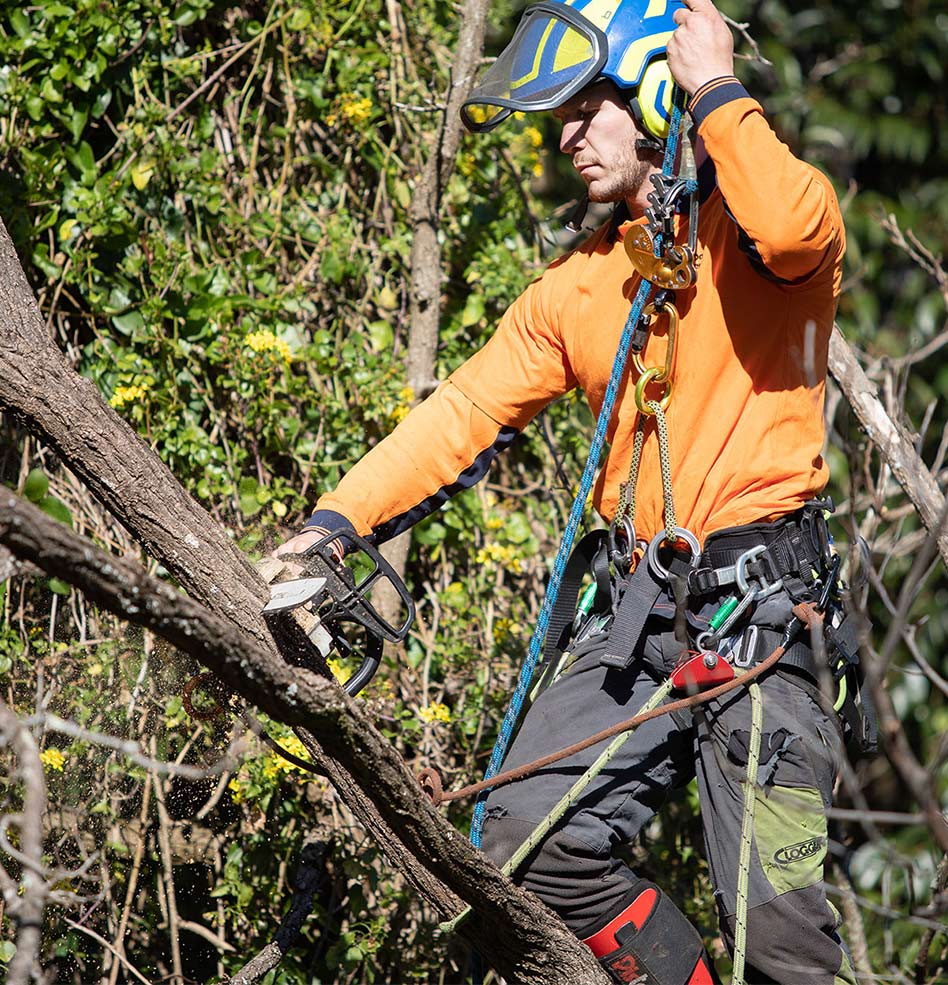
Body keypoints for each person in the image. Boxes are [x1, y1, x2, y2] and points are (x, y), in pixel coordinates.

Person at [276, 1, 860, 982]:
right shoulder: (582, 284)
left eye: (590, 107)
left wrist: (715, 86)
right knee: (517, 835)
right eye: (561, 117)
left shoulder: (756, 240)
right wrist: (335, 525)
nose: (568, 133)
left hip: (767, 618)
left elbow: (801, 225)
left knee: (786, 944)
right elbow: (462, 412)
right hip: (639, 618)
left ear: (653, 94)